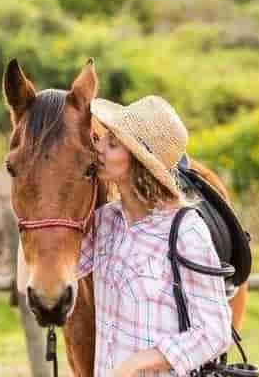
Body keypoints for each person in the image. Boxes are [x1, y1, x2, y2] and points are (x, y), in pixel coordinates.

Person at [77, 95, 232, 377]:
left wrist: (136, 364)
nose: (98, 147)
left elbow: (215, 332)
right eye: (103, 138)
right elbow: (33, 279)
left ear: (139, 164)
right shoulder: (106, 222)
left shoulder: (185, 231)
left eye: (112, 144)